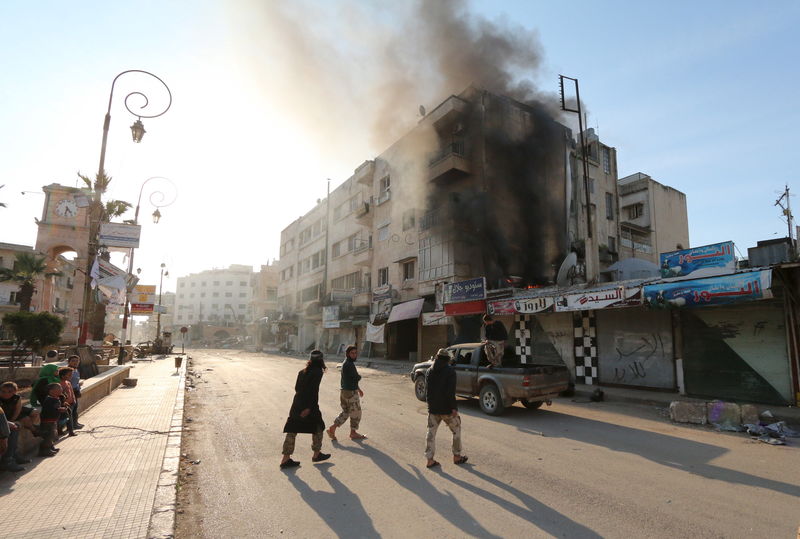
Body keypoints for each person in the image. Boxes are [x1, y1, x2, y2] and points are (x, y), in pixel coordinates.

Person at [280, 350, 331, 468]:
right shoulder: (318, 372)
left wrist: (301, 405)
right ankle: (316, 454)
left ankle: (285, 459)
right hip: (309, 405)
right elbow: (313, 391)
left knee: (292, 429)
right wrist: (308, 408)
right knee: (318, 426)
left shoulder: (302, 372)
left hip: (297, 404)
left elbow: (297, 388)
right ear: (321, 360)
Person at [424, 348, 468, 468]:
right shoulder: (450, 371)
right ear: (448, 359)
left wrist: (430, 406)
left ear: (437, 357)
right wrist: (454, 408)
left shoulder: (429, 371)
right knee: (456, 430)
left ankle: (429, 459)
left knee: (431, 434)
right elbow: (450, 392)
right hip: (447, 409)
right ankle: (457, 456)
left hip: (433, 409)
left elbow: (428, 391)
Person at [327, 345, 366, 441]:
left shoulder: (346, 363)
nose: (354, 355)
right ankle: (353, 433)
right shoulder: (349, 364)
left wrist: (359, 389)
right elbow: (356, 378)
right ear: (348, 354)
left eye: (355, 353)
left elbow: (351, 380)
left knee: (346, 412)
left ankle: (333, 428)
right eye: (352, 353)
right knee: (356, 413)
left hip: (345, 391)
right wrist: (359, 377)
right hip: (350, 393)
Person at [0, 382, 33, 471]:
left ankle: (13, 455)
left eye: (9, 392)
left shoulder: (16, 398)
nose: (6, 394)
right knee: (11, 430)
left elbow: (17, 411)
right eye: (3, 391)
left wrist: (10, 422)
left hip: (5, 420)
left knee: (15, 427)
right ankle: (8, 460)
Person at [38, 383, 66, 457]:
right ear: (51, 391)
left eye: (61, 388)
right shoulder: (49, 400)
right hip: (47, 421)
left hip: (53, 420)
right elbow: (50, 410)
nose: (61, 390)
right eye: (59, 389)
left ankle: (51, 447)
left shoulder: (56, 398)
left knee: (52, 435)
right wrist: (59, 410)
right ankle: (44, 450)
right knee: (49, 435)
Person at [57, 368, 77, 437]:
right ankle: (66, 431)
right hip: (64, 403)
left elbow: (72, 392)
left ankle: (70, 431)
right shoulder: (60, 384)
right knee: (65, 418)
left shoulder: (68, 383)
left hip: (71, 403)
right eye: (69, 375)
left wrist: (74, 400)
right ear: (62, 376)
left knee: (69, 417)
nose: (71, 376)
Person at [67, 355, 84, 429]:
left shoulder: (76, 370)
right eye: (73, 361)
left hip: (75, 391)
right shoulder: (67, 371)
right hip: (69, 392)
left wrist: (78, 385)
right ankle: (71, 426)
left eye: (77, 361)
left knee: (75, 408)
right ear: (69, 362)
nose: (75, 362)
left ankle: (75, 423)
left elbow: (75, 381)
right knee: (71, 409)